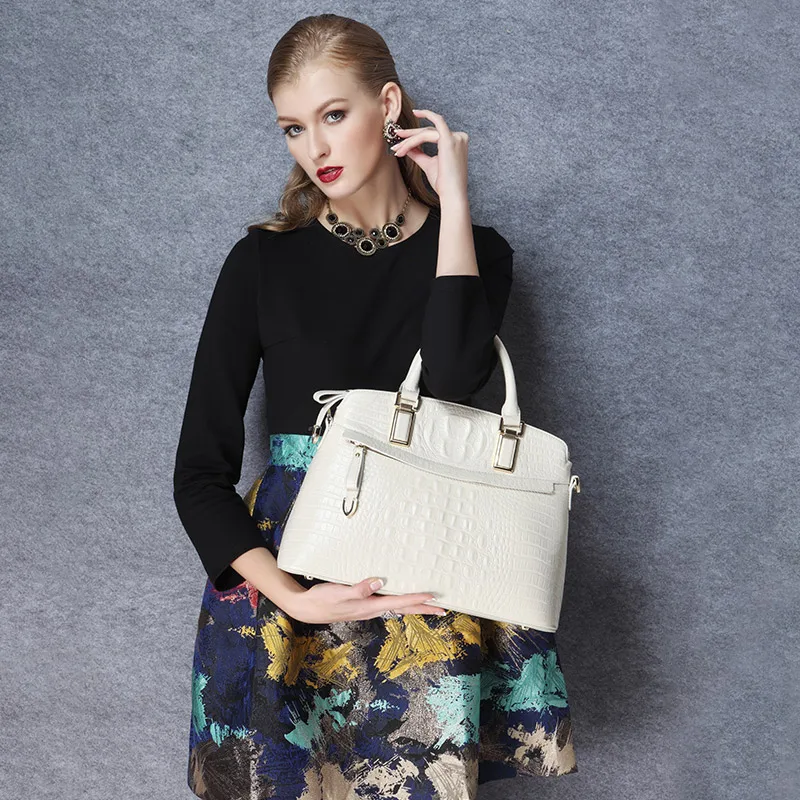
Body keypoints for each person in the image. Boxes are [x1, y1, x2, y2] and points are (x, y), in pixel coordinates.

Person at [172, 13, 577, 800]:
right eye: (294, 128)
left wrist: (452, 201)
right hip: (292, 585)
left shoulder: (478, 251)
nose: (314, 148)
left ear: (387, 106)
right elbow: (197, 475)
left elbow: (453, 380)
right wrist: (292, 595)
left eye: (333, 115)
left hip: (433, 571)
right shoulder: (262, 262)